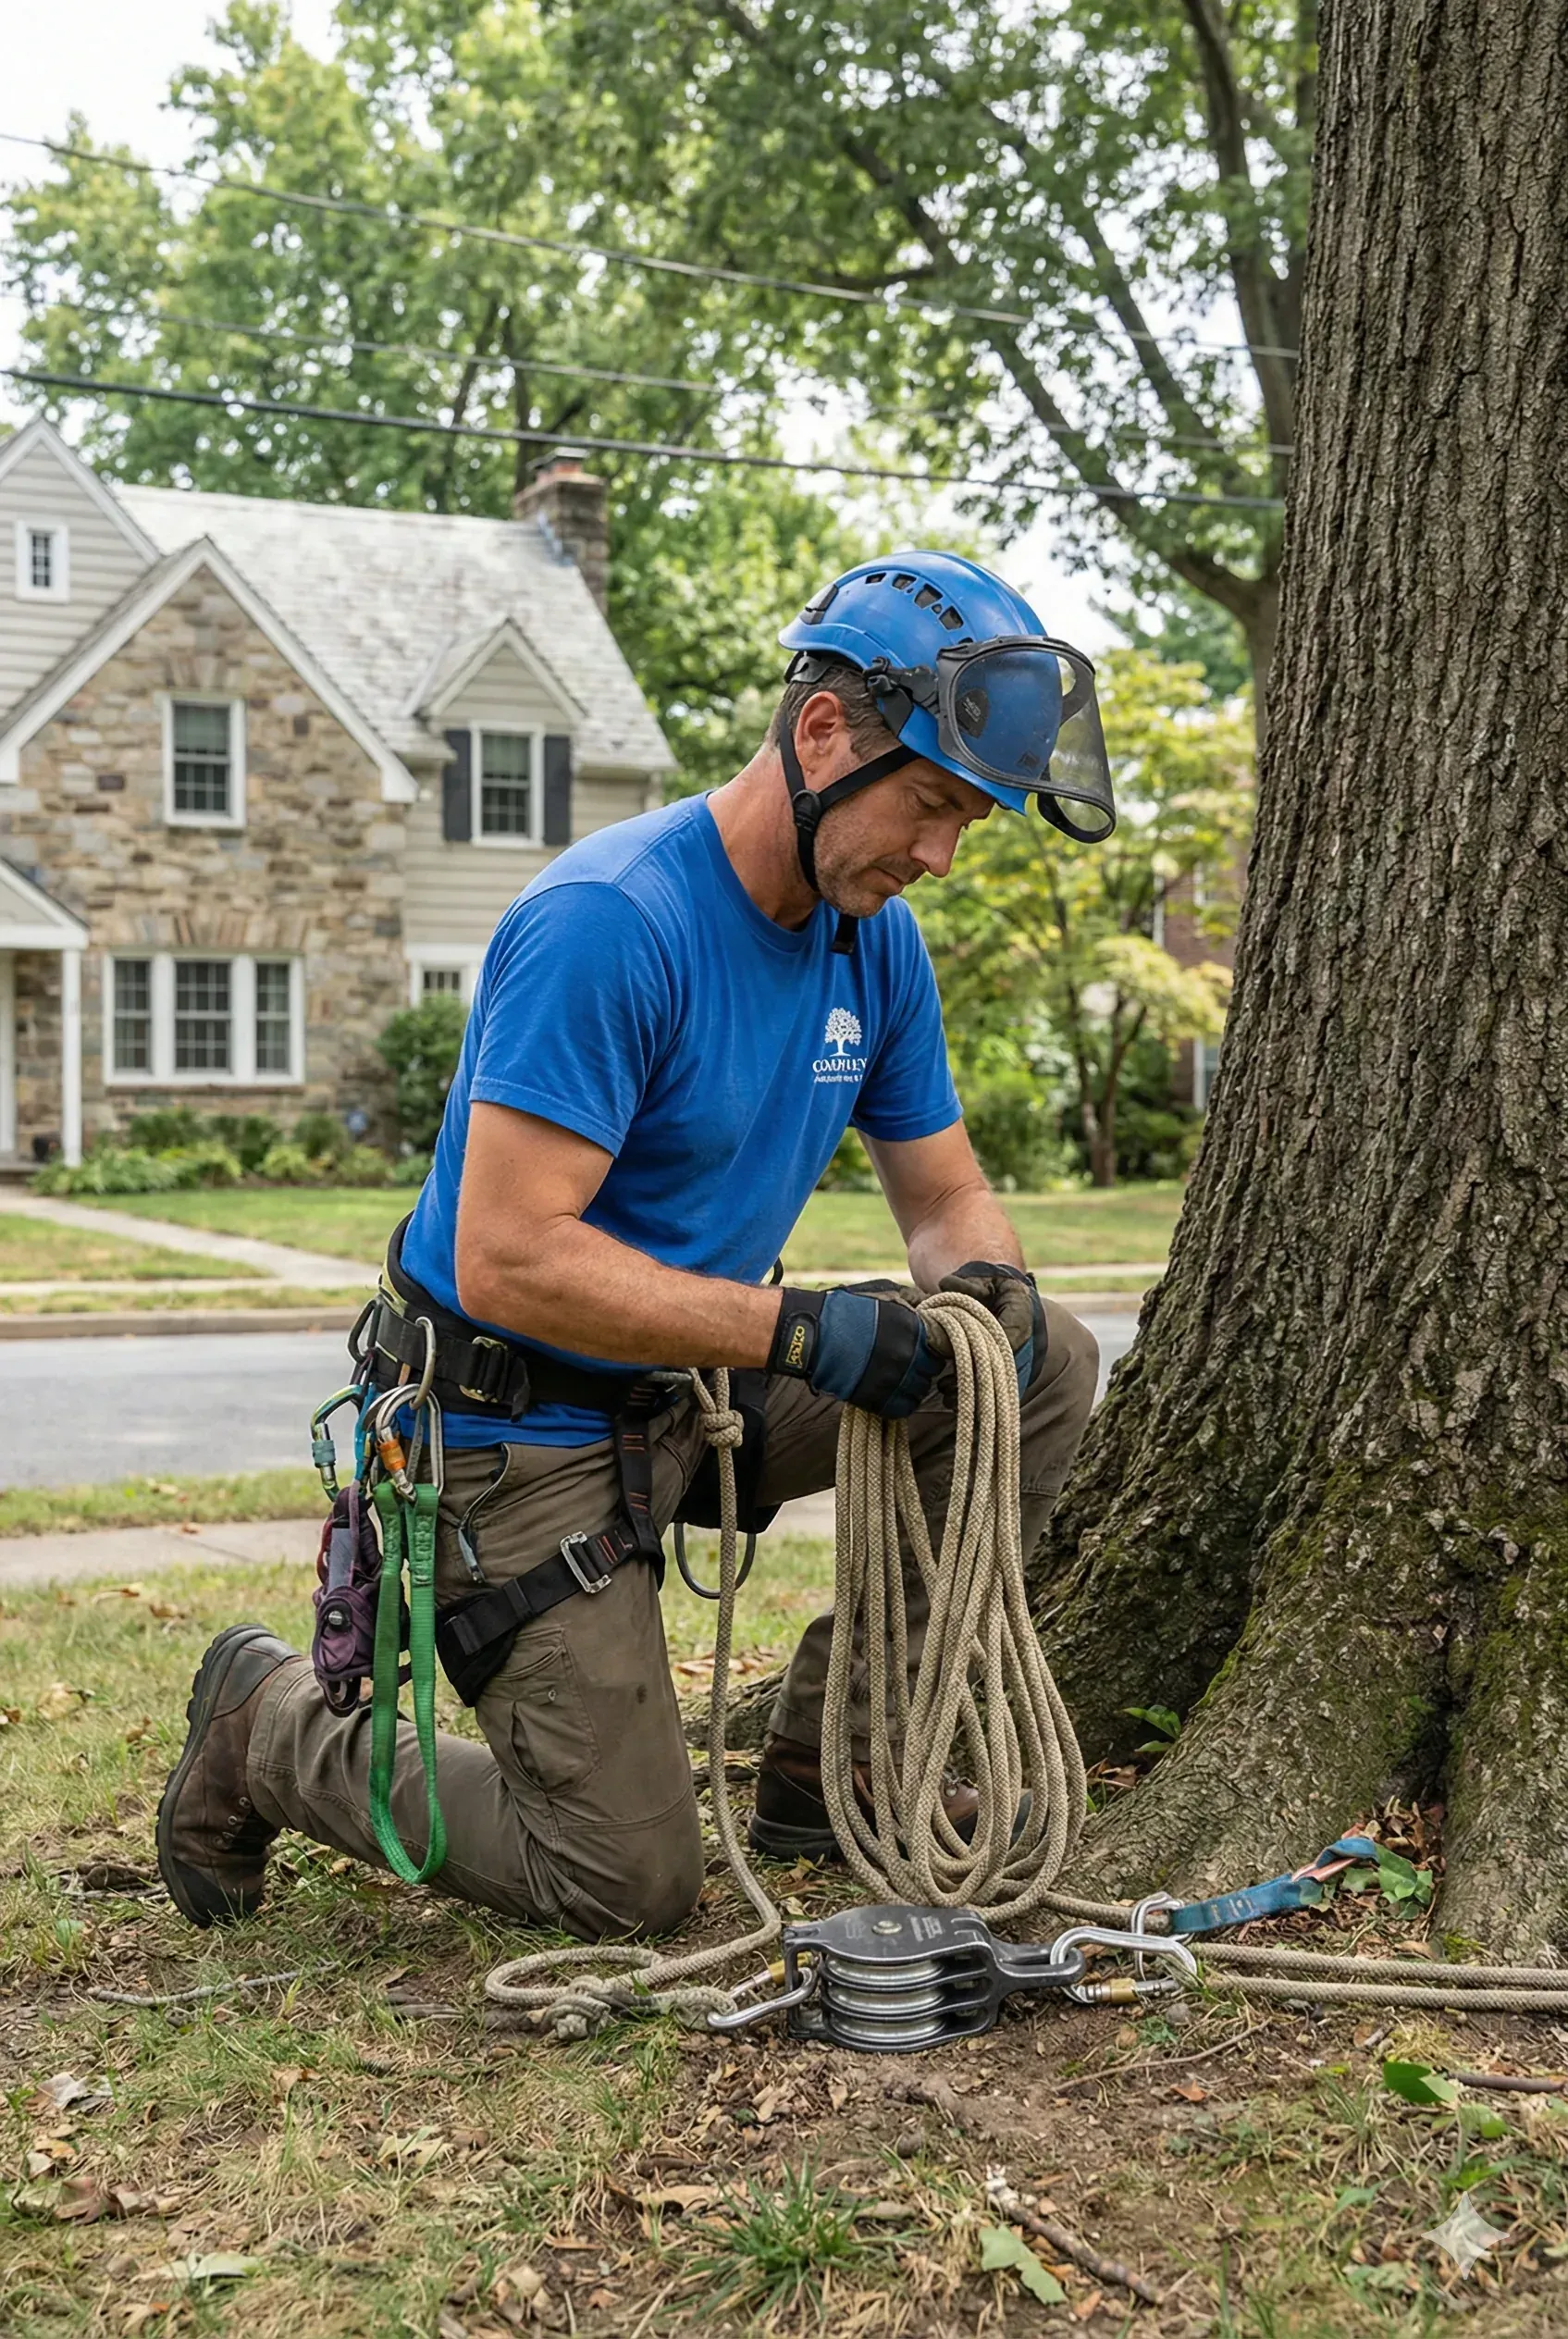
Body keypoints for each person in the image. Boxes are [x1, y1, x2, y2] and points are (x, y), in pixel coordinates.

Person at [155, 551, 1117, 1942]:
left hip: (683, 1390)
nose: (940, 857)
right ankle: (268, 1726)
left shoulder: (876, 946)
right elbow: (511, 1259)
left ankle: (833, 1749)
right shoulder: (614, 923)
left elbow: (944, 1199)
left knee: (1032, 1366)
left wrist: (988, 1292)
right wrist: (803, 1332)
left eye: (967, 821)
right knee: (624, 1882)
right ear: (824, 734)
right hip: (511, 1429)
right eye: (928, 807)